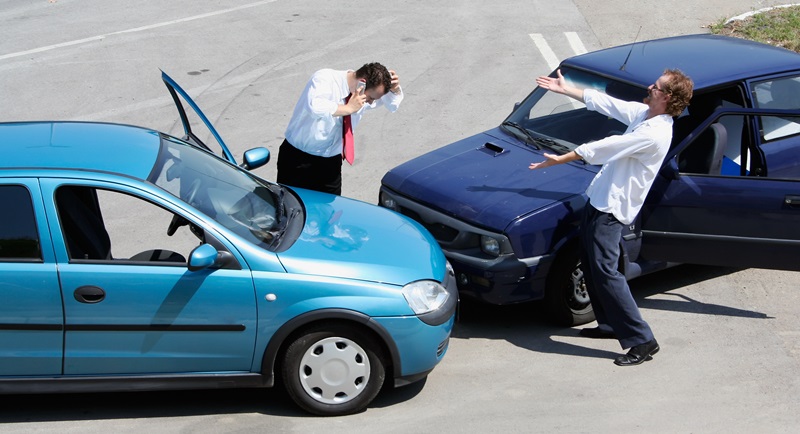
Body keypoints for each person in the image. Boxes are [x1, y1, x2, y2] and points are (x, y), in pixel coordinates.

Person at [529, 68, 693, 366]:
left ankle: (642, 340)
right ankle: (608, 325)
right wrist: (566, 90)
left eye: (655, 86)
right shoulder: (645, 114)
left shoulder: (654, 133)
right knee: (594, 265)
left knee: (606, 272)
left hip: (612, 210)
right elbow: (607, 103)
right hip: (600, 200)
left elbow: (608, 147)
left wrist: (563, 158)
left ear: (666, 97)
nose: (649, 86)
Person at [277, 62, 403, 195]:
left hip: (331, 164)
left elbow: (392, 105)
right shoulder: (324, 78)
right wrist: (348, 108)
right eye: (371, 98)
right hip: (298, 160)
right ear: (362, 83)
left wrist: (395, 90)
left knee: (331, 211)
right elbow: (314, 107)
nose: (371, 102)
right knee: (289, 209)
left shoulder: (361, 95)